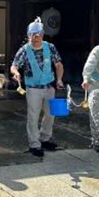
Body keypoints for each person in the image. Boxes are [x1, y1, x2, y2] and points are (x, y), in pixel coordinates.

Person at [10, 17, 64, 158]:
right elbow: (14, 65)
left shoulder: (50, 47)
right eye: (33, 34)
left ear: (42, 34)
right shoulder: (24, 50)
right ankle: (34, 144)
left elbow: (58, 64)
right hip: (33, 88)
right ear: (28, 35)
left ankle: (45, 138)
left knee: (50, 114)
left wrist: (59, 79)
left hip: (49, 86)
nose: (36, 37)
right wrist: (16, 73)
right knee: (33, 116)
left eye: (38, 34)